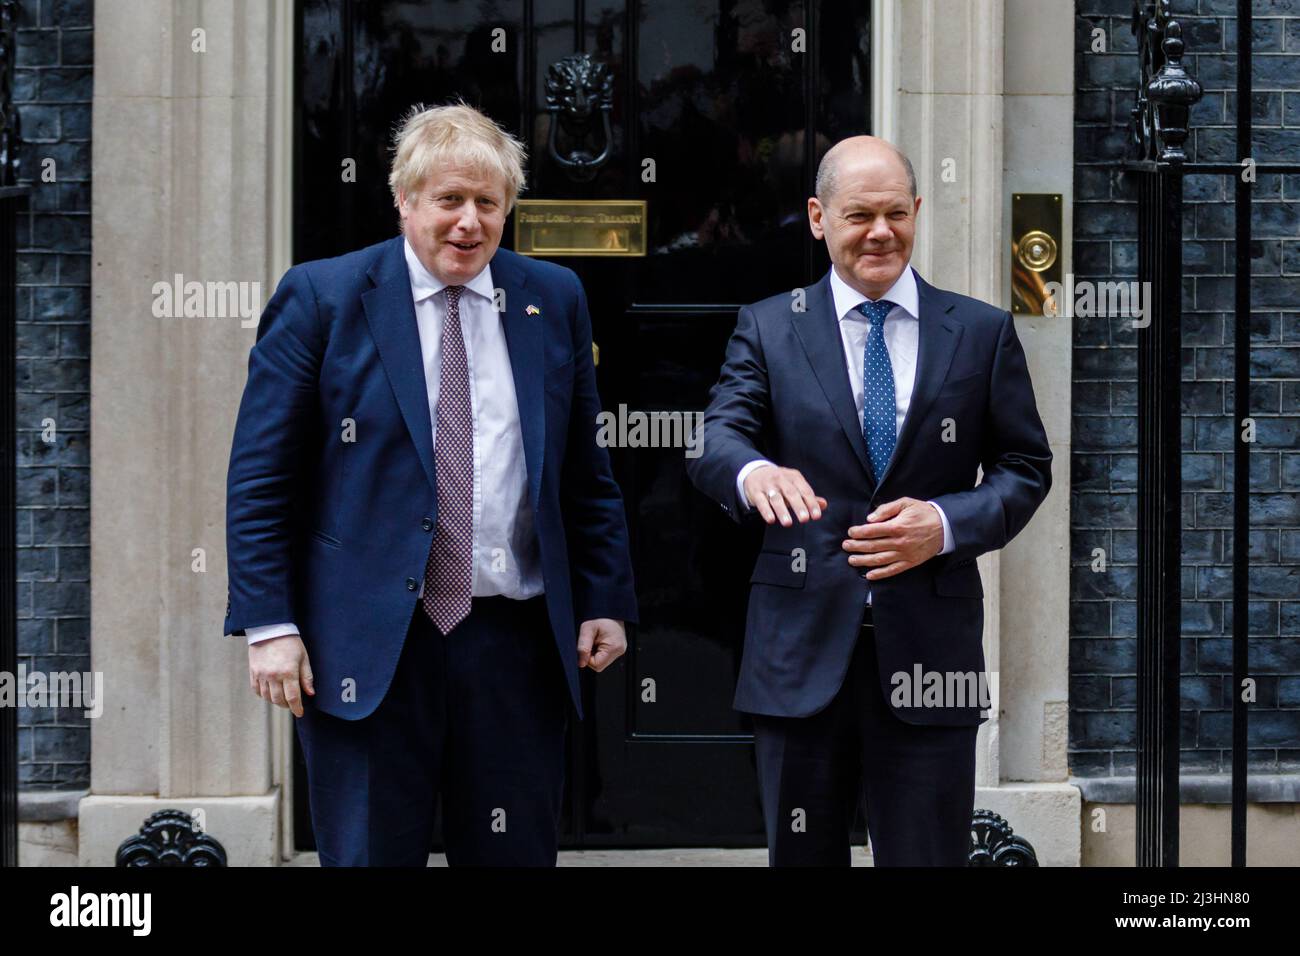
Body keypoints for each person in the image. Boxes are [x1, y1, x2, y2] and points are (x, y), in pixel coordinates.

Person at [224, 102, 637, 866]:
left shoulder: (554, 298)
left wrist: (605, 595)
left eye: (488, 203)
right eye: (449, 200)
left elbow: (585, 470)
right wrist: (269, 625)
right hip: (369, 645)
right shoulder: (323, 299)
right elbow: (259, 477)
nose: (469, 223)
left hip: (513, 645)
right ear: (404, 199)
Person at [686, 135, 1052, 866]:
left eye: (895, 213)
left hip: (930, 656)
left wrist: (945, 524)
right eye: (859, 216)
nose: (880, 232)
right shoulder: (769, 325)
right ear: (819, 218)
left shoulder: (980, 332)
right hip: (799, 658)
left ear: (917, 212)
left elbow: (1024, 466)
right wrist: (754, 473)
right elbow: (715, 438)